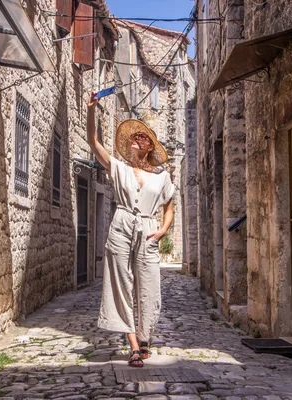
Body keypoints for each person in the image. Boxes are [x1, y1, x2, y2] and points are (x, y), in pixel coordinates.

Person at [86, 93, 175, 368]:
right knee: (120, 284)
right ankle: (133, 343)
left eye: (143, 138)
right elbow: (93, 143)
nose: (137, 140)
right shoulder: (119, 168)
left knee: (149, 286)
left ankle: (145, 335)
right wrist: (91, 111)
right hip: (122, 226)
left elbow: (170, 208)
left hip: (148, 229)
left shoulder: (162, 177)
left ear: (150, 146)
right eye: (135, 137)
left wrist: (162, 231)